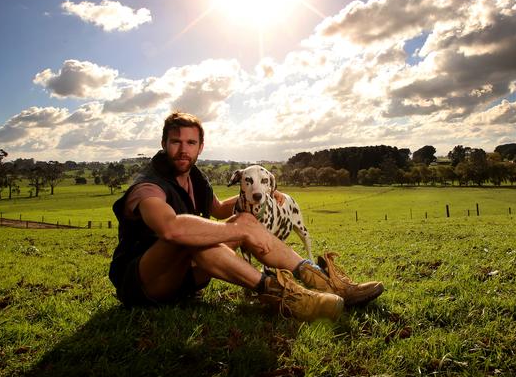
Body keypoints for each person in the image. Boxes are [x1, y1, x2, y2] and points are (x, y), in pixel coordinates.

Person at [109, 111, 383, 321]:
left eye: (191, 142)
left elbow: (216, 209)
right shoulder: (148, 185)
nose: (183, 149)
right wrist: (240, 233)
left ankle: (322, 279)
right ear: (164, 143)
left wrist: (259, 192)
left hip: (186, 280)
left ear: (200, 147)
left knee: (244, 220)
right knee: (191, 237)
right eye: (176, 142)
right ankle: (284, 294)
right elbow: (170, 229)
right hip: (143, 285)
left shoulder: (194, 175)